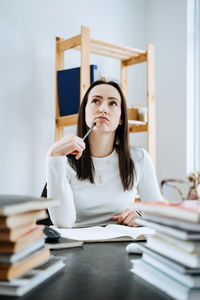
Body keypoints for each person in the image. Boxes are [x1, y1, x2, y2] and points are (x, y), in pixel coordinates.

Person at [46, 80, 162, 228]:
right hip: (78, 246)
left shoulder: (139, 158)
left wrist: (141, 216)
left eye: (112, 103)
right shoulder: (66, 162)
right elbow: (63, 223)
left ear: (121, 118)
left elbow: (159, 214)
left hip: (122, 244)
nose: (103, 109)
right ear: (84, 112)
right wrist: (54, 156)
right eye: (96, 101)